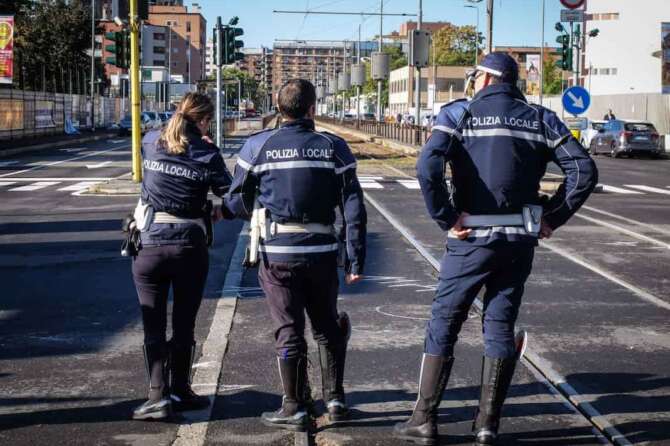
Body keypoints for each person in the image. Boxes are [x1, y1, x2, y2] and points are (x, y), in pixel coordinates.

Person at [393, 53, 598, 445]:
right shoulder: (540, 118)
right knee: (500, 324)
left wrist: (446, 216)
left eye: (475, 77)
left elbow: (427, 166)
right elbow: (583, 171)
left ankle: (424, 419)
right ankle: (487, 426)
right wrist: (552, 216)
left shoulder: (459, 114)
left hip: (471, 238)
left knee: (445, 322)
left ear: (486, 78)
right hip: (518, 242)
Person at [224, 79, 367, 432]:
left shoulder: (259, 145)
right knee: (327, 327)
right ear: (313, 108)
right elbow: (354, 206)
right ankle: (334, 400)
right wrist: (354, 258)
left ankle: (294, 406)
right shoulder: (333, 146)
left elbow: (236, 200)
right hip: (321, 252)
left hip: (278, 253)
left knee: (288, 328)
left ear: (277, 105)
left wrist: (259, 207)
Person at [131, 93, 233, 420]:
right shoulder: (207, 152)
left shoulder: (150, 140)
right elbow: (230, 195)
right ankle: (181, 390)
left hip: (148, 244)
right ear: (203, 121)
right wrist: (220, 211)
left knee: (153, 324)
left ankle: (156, 396)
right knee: (184, 322)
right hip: (189, 245)